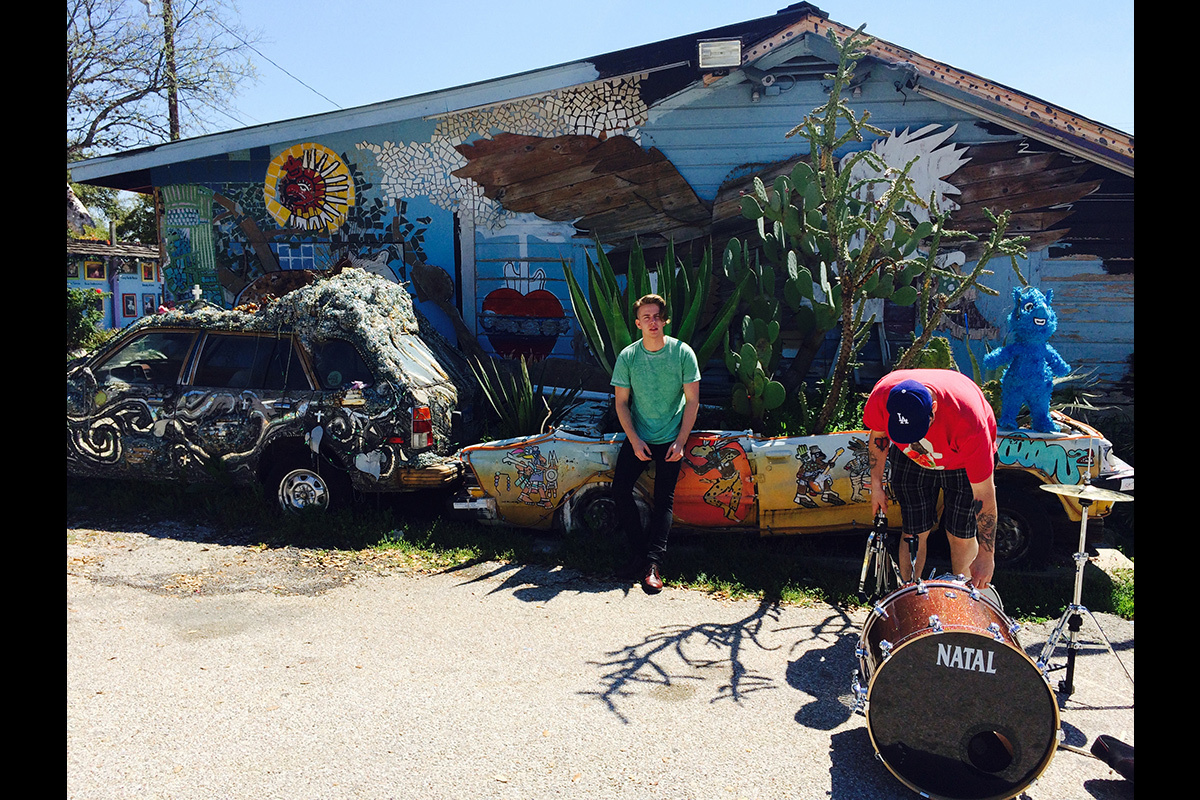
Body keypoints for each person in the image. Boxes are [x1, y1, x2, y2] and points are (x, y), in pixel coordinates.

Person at [863, 368, 998, 589]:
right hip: (912, 459)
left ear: (933, 409)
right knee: (914, 530)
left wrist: (986, 555)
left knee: (960, 534)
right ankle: (907, 594)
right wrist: (876, 485)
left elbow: (984, 495)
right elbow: (879, 436)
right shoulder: (882, 396)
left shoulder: (969, 421)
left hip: (961, 461)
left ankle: (964, 599)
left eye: (918, 430)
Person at [611, 294, 701, 594]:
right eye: (646, 317)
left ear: (665, 320)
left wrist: (681, 442)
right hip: (640, 436)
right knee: (619, 489)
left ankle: (653, 565)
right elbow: (622, 403)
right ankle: (639, 553)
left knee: (664, 500)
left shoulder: (682, 353)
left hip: (671, 438)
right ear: (638, 324)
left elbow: (692, 401)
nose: (652, 322)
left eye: (656, 317)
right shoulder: (628, 357)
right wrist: (634, 440)